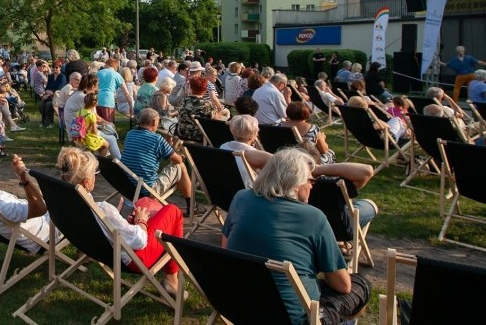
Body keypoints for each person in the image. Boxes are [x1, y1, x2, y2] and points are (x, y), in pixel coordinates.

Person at [222, 148, 370, 325]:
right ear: (295, 183)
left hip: (240, 304)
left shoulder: (241, 198)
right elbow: (342, 285)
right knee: (359, 285)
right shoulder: (312, 216)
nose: (311, 185)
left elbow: (225, 247)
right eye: (309, 180)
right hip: (295, 317)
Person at [56, 147, 186, 298]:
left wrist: (120, 220)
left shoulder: (67, 202)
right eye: (95, 175)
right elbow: (140, 242)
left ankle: (171, 276)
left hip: (100, 249)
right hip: (131, 259)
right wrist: (141, 222)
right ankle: (171, 279)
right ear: (86, 182)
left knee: (145, 202)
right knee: (173, 211)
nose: (96, 178)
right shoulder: (103, 209)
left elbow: (107, 228)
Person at [121, 108, 192, 215]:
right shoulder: (157, 139)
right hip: (146, 190)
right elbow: (178, 160)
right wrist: (173, 147)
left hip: (126, 184)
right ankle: (191, 205)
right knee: (180, 166)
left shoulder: (130, 134)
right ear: (154, 122)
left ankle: (191, 205)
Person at [176, 76, 218, 142]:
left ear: (190, 88)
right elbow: (215, 120)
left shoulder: (184, 101)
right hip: (198, 136)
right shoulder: (207, 104)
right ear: (205, 90)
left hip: (181, 132)